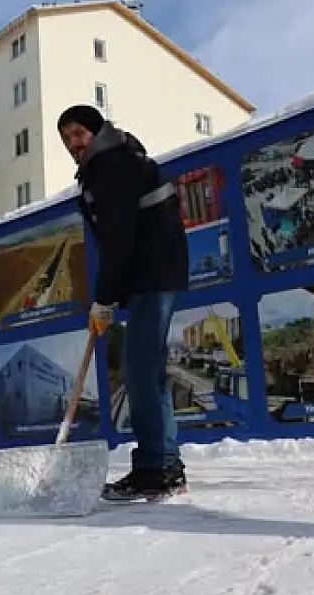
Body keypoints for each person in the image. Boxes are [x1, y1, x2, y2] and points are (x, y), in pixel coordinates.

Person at [57, 104, 190, 501]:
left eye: (79, 134)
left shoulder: (110, 165)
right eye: (66, 138)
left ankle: (158, 468)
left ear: (96, 133)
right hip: (152, 272)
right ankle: (164, 463)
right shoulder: (113, 161)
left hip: (153, 271)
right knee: (147, 371)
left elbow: (118, 240)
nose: (73, 144)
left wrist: (103, 299)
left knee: (141, 372)